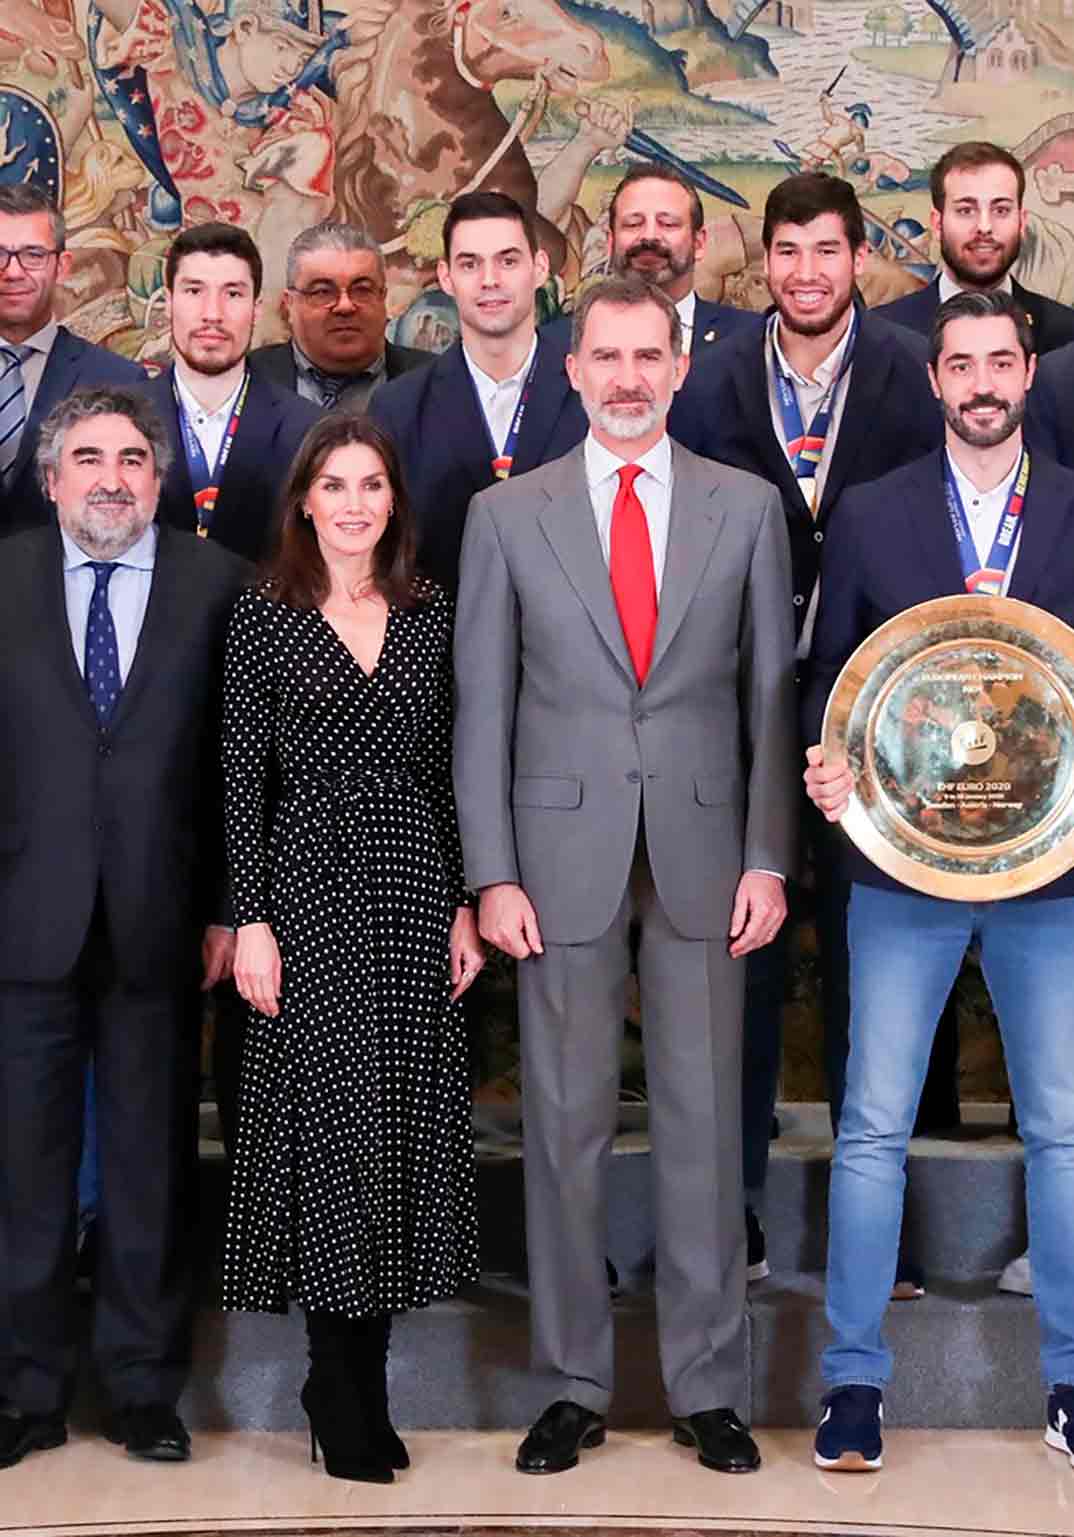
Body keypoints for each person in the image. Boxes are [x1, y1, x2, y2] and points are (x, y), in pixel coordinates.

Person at [454, 274, 796, 1476]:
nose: (629, 378)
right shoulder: (509, 517)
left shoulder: (747, 508)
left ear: (680, 366)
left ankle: (709, 1387)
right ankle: (572, 1382)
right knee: (564, 1123)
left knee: (705, 1127)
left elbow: (768, 697)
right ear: (572, 369)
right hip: (556, 861)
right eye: (606, 357)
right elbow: (480, 706)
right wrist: (490, 871)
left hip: (709, 854)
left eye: (649, 355)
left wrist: (768, 853)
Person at [802, 289, 1074, 1474]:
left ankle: (1070, 1375)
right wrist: (823, 762)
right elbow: (832, 678)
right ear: (933, 381)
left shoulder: (1072, 504)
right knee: (869, 1129)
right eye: (957, 362)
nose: (978, 381)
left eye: (998, 362)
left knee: (1065, 1131)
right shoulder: (869, 512)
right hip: (900, 862)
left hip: (1050, 872)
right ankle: (854, 1384)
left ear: (1028, 375)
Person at [671, 171, 944, 1285]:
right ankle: (730, 1212)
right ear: (763, 262)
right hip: (734, 714)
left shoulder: (910, 378)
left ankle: (875, 1226)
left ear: (860, 259)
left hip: (877, 717)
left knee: (874, 965)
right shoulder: (714, 379)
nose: (806, 272)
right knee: (741, 963)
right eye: (787, 251)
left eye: (828, 251)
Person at [220, 413, 482, 1483]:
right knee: (329, 1134)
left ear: (393, 503)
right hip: (309, 891)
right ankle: (335, 1381)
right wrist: (251, 919)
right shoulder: (263, 616)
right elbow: (241, 775)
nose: (355, 503)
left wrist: (465, 903)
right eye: (335, 484)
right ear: (303, 502)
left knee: (400, 1130)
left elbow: (450, 766)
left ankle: (361, 1380)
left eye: (372, 484)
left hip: (415, 884)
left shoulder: (430, 615)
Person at [0, 386, 247, 1469]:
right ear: (50, 478)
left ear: (161, 477)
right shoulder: (0, 579)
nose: (111, 476)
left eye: (133, 458)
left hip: (164, 919)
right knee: (23, 1170)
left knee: (151, 1163)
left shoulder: (219, 586)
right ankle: (25, 1390)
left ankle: (146, 1389)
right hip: (21, 922)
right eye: (88, 457)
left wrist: (236, 909)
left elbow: (243, 772)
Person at [368, 191, 588, 591]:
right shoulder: (396, 408)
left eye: (508, 260)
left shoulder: (591, 391)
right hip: (443, 642)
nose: (490, 280)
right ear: (446, 278)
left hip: (568, 645)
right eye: (470, 264)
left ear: (539, 269)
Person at [136, 222, 320, 564]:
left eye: (232, 293)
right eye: (194, 291)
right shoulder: (123, 421)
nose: (212, 314)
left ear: (257, 308)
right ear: (168, 303)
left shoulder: (308, 430)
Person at [0, 183, 141, 534]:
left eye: (33, 254)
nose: (13, 271)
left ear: (62, 266)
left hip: (58, 583)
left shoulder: (119, 382)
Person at [876, 142, 1074, 359]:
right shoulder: (883, 334)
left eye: (1001, 210)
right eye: (966, 210)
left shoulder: (1066, 334)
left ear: (1021, 222)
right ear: (937, 223)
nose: (984, 227)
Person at [249, 222, 429, 410]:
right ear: (289, 304)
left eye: (362, 290)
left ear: (383, 297)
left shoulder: (434, 382)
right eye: (322, 292)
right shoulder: (247, 380)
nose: (345, 306)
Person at [606, 164, 762, 353]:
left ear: (699, 243)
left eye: (668, 224)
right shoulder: (565, 340)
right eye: (633, 224)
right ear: (610, 242)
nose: (649, 236)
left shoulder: (753, 339)